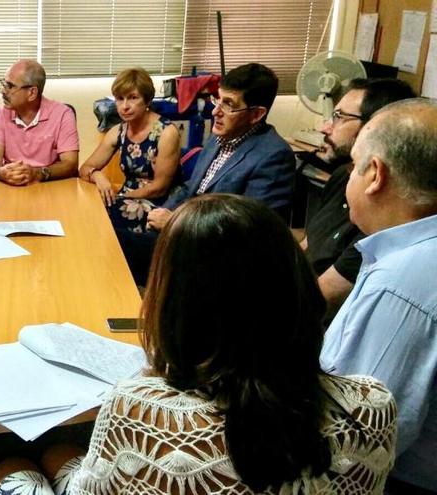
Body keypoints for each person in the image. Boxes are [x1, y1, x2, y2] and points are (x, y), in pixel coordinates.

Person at [0, 194, 396, 495]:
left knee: (11, 467)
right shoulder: (374, 405)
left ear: (173, 303)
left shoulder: (140, 406)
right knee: (59, 452)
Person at [320, 98, 437, 492]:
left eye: (353, 166)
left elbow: (357, 442)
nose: (348, 178)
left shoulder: (400, 285)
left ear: (374, 175)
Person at [119, 63, 295, 285]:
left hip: (208, 261)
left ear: (257, 114)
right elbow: (189, 188)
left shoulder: (273, 157)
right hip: (179, 238)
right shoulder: (219, 137)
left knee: (116, 249)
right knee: (108, 242)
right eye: (217, 100)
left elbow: (251, 233)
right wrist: (164, 212)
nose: (215, 112)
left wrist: (176, 223)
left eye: (229, 105)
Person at [300, 78, 415, 319]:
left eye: (339, 116)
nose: (324, 127)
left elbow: (321, 301)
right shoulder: (342, 176)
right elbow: (308, 244)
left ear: (375, 126)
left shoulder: (383, 217)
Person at [78, 67, 181, 232]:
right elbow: (84, 169)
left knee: (104, 213)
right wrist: (98, 176)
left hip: (160, 204)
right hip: (126, 198)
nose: (124, 106)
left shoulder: (167, 132)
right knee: (89, 206)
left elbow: (159, 187)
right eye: (119, 99)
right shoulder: (118, 131)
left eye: (133, 98)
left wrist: (120, 196)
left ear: (147, 100)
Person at [0, 59, 80, 185]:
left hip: (49, 186)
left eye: (10, 86)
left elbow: (70, 164)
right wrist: (2, 172)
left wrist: (37, 173)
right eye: (4, 84)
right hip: (12, 185)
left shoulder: (63, 114)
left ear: (32, 93)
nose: (2, 91)